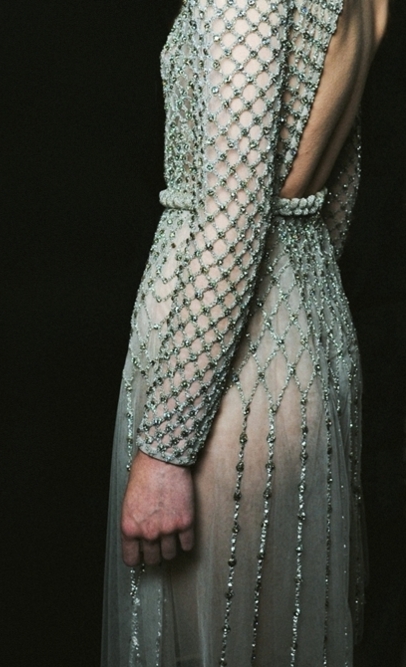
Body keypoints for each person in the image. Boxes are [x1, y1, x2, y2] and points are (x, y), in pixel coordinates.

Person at [102, 0, 389, 664]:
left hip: (216, 373)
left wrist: (167, 448)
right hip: (312, 331)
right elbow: (340, 179)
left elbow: (234, 209)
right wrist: (299, 311)